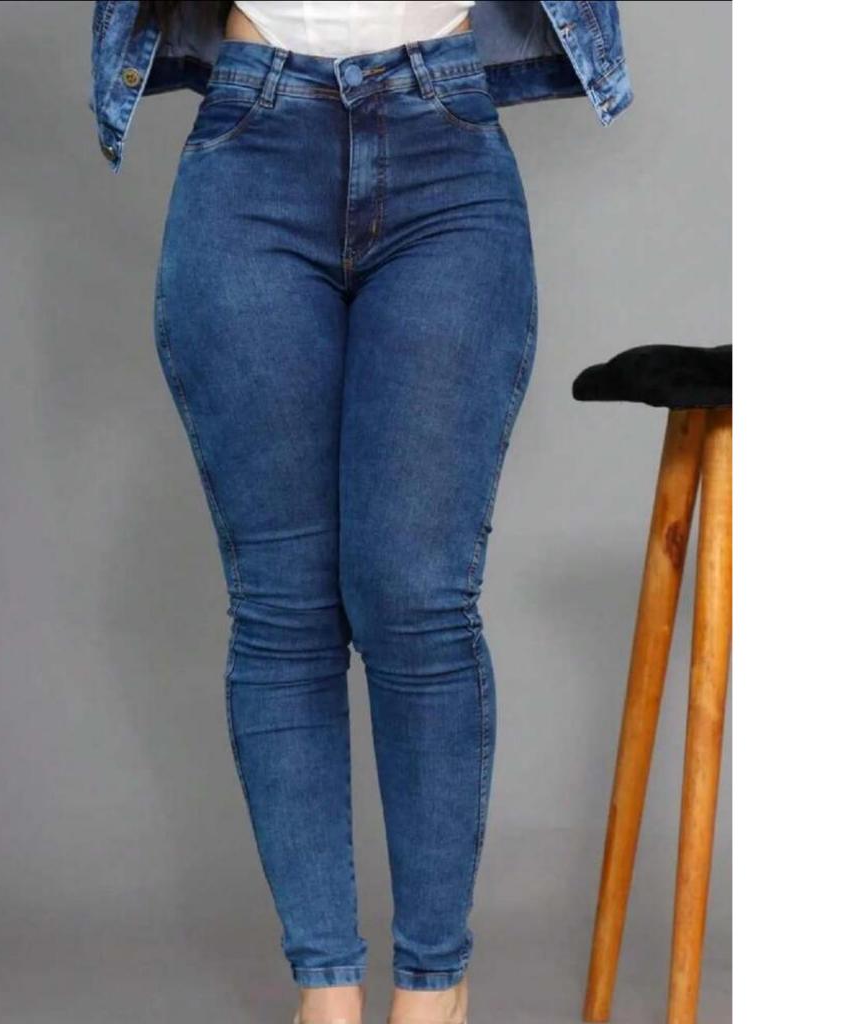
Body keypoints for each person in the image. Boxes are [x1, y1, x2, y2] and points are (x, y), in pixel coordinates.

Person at [88, 3, 631, 1021]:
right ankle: (325, 999)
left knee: (415, 597)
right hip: (250, 141)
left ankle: (434, 995)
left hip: (444, 140)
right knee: (282, 608)